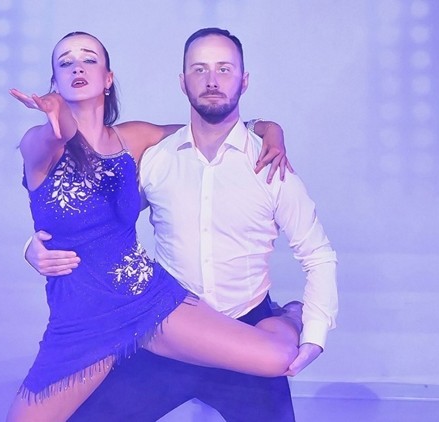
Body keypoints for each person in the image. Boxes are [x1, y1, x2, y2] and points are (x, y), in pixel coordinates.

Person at [26, 28, 338, 421]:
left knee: (276, 366)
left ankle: (287, 316)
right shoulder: (156, 158)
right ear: (182, 81)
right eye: (199, 69)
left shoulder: (269, 165)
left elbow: (317, 254)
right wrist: (33, 246)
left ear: (244, 80)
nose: (212, 80)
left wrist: (314, 333)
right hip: (164, 326)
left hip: (248, 326)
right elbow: (99, 223)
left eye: (224, 69)